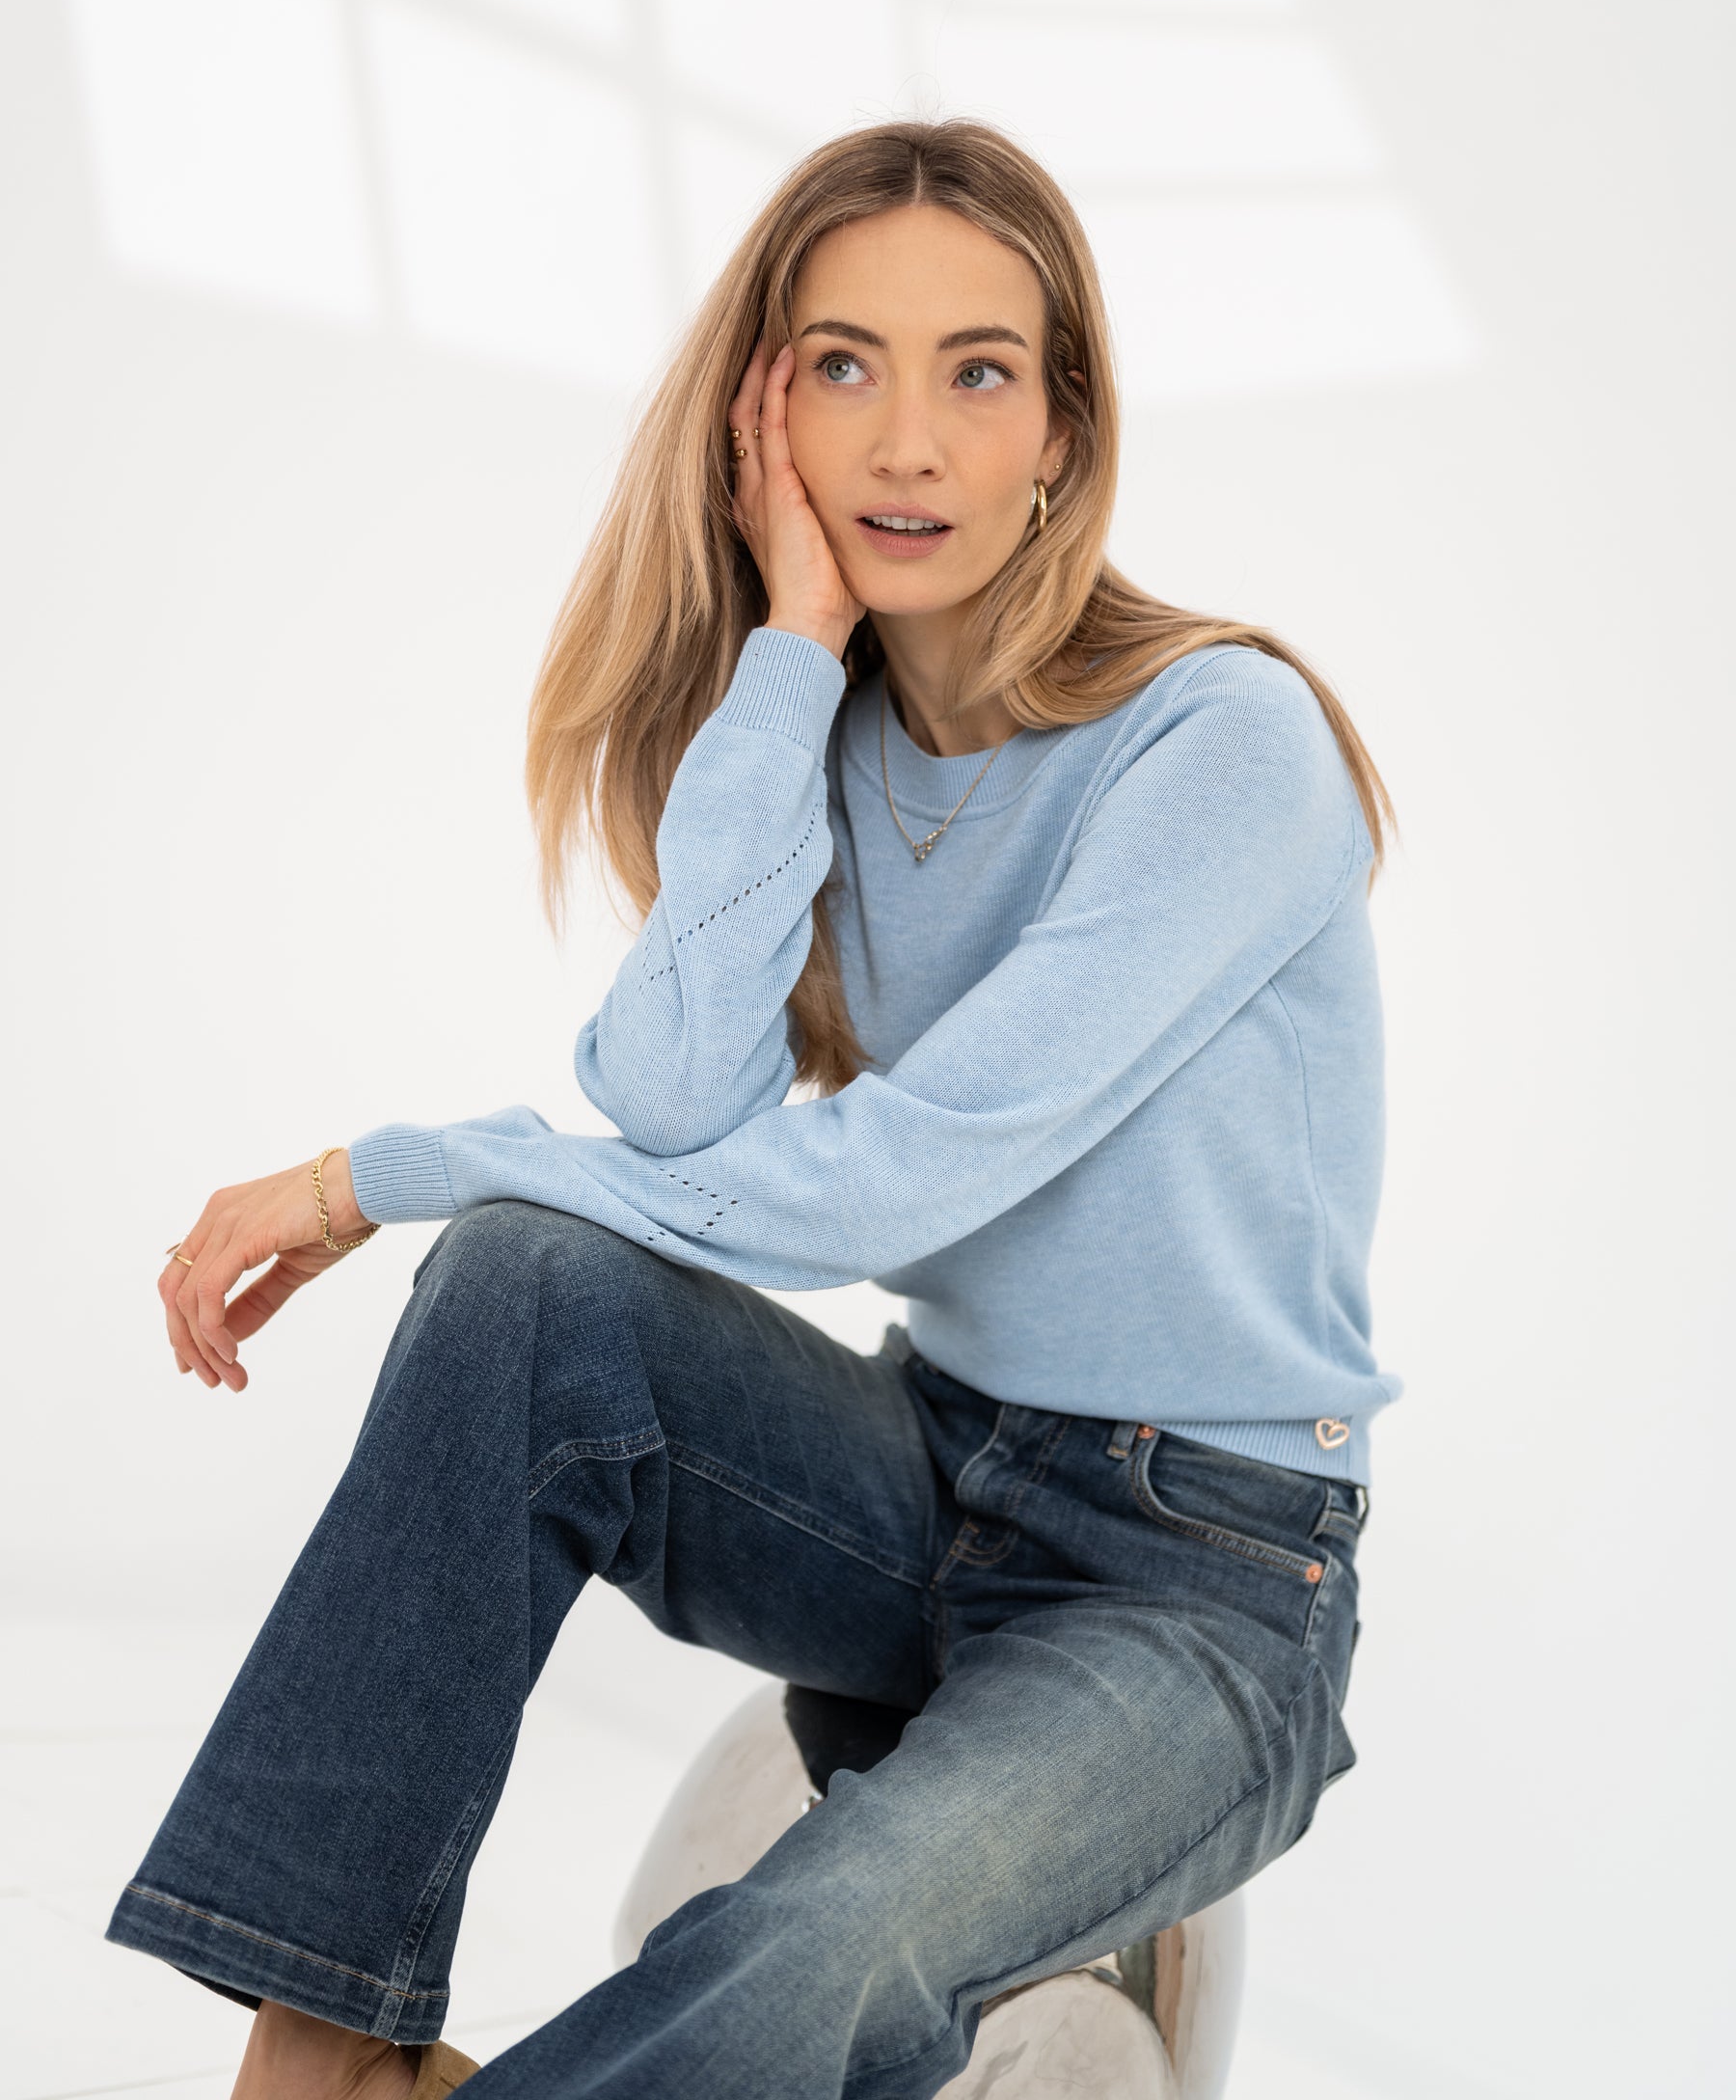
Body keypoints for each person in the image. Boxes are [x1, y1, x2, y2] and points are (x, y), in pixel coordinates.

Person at [110, 118, 1401, 2100]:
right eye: (844, 365)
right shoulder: (840, 735)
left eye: (979, 371)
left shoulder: (1222, 743)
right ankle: (324, 2053)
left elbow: (882, 1175)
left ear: (1063, 429)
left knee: (837, 1933)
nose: (907, 442)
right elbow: (671, 1093)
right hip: (935, 1475)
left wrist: (372, 1173)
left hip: (1204, 1582)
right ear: (763, 415)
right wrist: (793, 654)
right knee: (529, 1289)